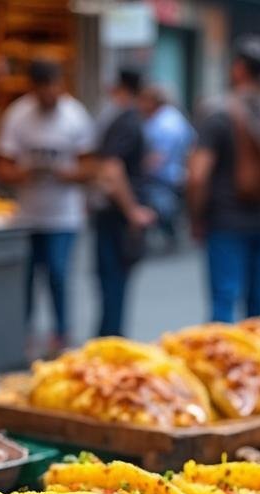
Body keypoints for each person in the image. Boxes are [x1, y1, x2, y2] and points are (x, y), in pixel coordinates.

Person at [0, 60, 94, 354]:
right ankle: (23, 334)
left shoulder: (75, 115)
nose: (50, 94)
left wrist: (66, 174)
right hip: (27, 215)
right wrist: (24, 173)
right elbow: (2, 166)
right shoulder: (18, 115)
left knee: (58, 275)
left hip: (64, 216)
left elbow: (90, 166)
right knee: (25, 278)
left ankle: (61, 334)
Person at [188, 35, 260, 323]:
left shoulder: (218, 113)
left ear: (238, 68)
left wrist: (196, 216)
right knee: (259, 308)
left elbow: (198, 175)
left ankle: (221, 352)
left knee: (223, 301)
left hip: (225, 220)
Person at [91, 68, 154, 338]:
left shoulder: (117, 118)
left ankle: (108, 340)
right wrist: (132, 211)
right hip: (116, 216)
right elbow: (112, 169)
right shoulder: (126, 120)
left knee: (112, 284)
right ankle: (109, 344)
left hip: (112, 212)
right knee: (114, 284)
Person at [139, 84, 194, 249]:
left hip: (164, 177)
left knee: (161, 208)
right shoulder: (172, 117)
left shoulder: (163, 123)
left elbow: (158, 157)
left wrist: (140, 171)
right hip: (174, 173)